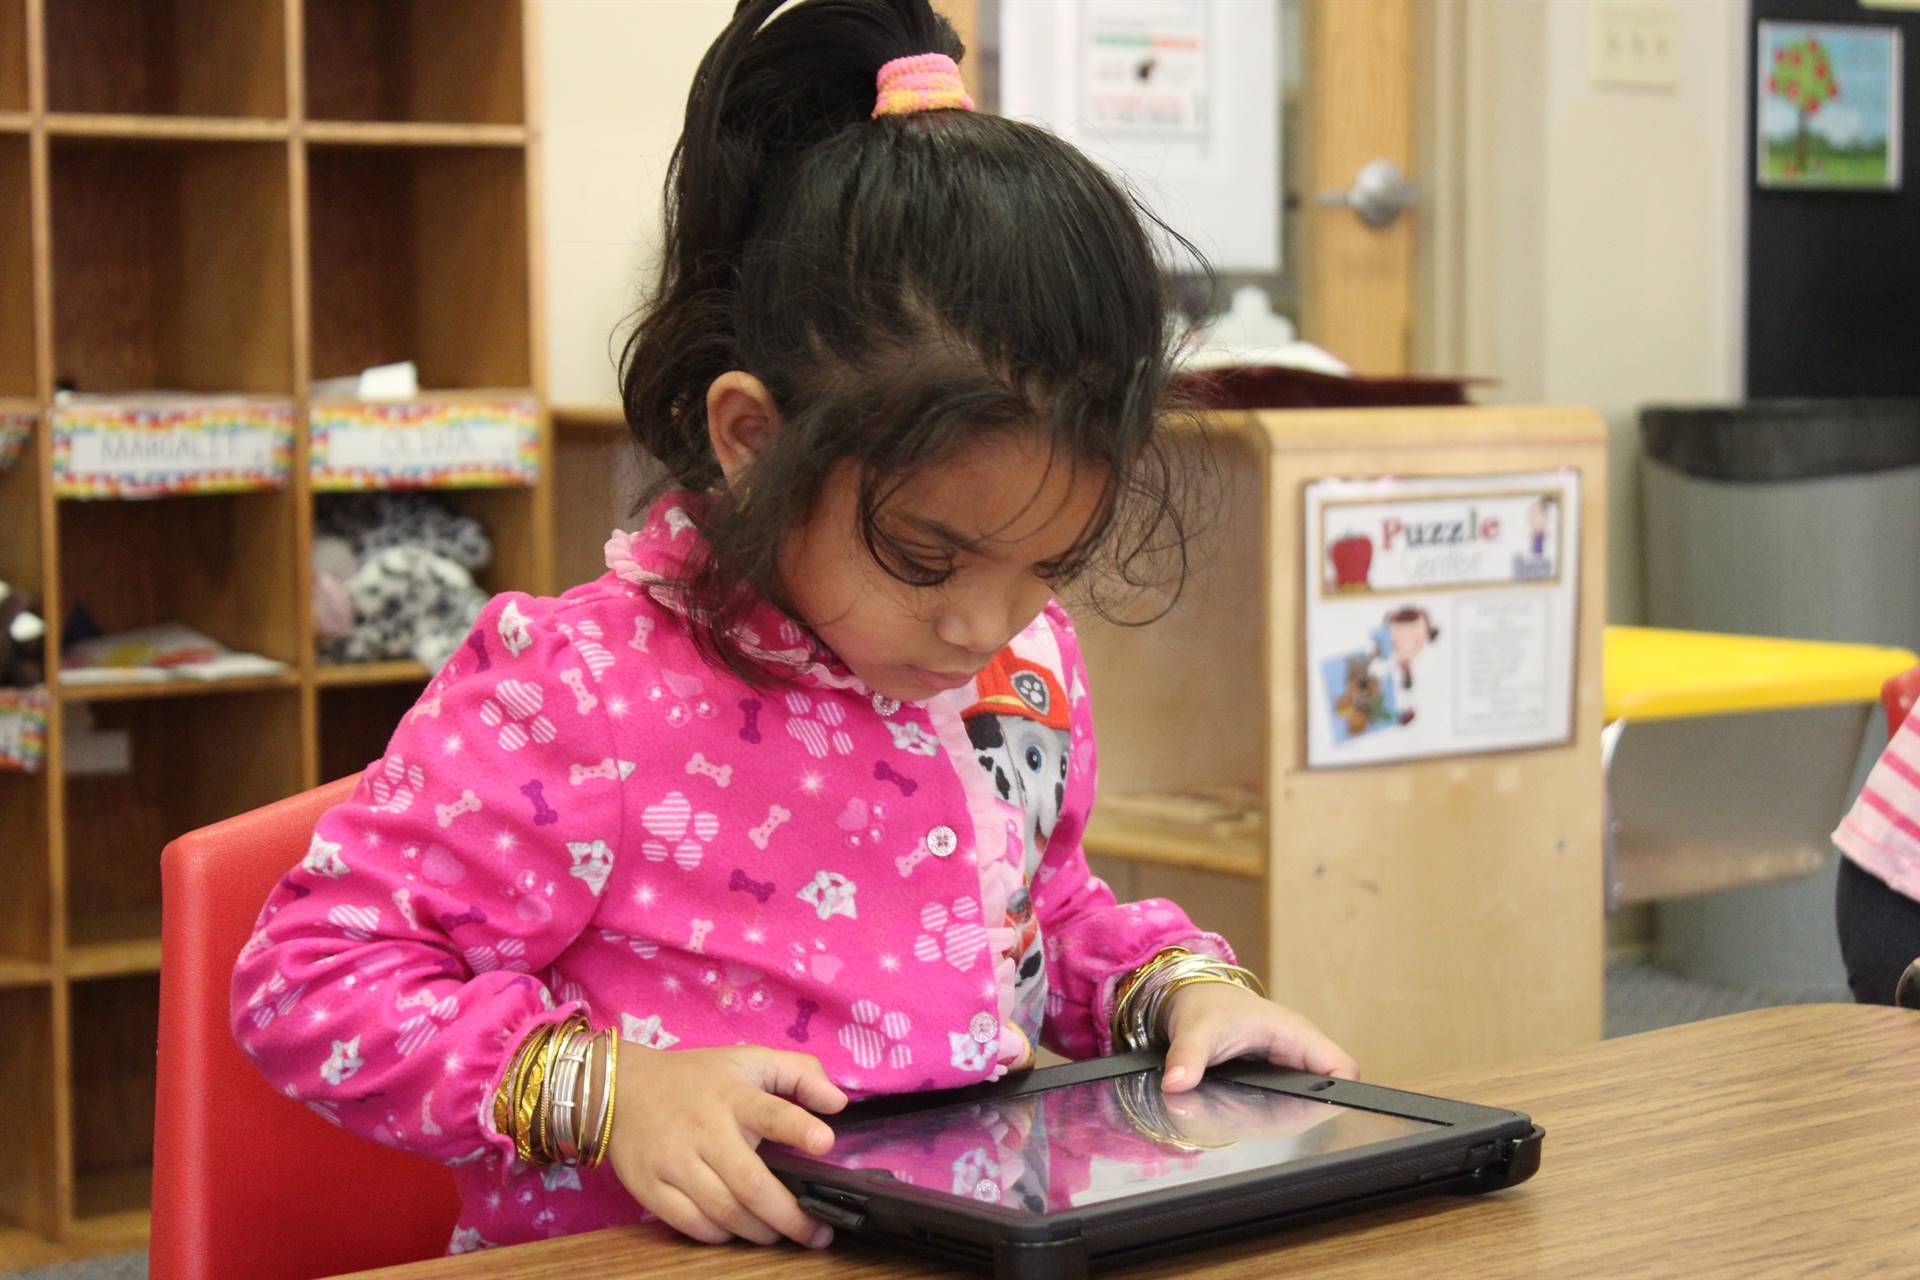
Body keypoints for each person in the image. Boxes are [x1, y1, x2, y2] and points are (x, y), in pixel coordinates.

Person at [230, 0, 1355, 1256]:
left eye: (1053, 562)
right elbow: (310, 978)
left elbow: (1037, 915)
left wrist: (1179, 993)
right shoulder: (584, 690)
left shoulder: (1017, 666)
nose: (986, 621)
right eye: (928, 556)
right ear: (754, 441)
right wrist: (612, 1095)